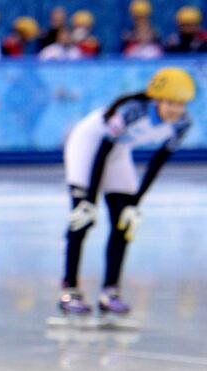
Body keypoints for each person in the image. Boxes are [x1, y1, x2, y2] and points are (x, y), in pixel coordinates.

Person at [58, 68, 194, 320]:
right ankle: (70, 290)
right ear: (156, 99)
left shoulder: (183, 123)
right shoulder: (132, 111)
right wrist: (88, 200)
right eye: (171, 103)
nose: (176, 110)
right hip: (88, 146)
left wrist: (136, 202)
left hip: (118, 152)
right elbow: (101, 151)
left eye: (181, 104)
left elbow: (157, 163)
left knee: (124, 222)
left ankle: (111, 291)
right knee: (82, 219)